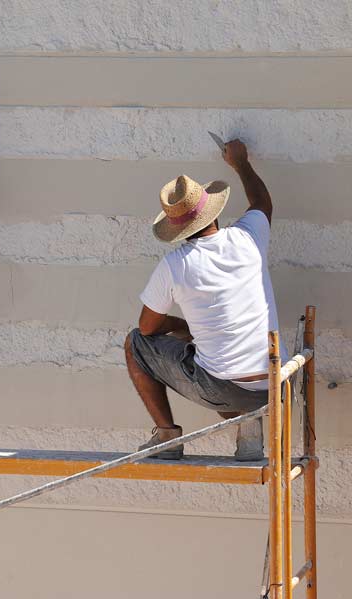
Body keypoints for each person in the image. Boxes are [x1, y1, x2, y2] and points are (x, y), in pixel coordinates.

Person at [124, 139, 286, 461]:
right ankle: (249, 428)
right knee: (217, 363)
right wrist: (240, 162)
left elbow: (146, 328)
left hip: (223, 390)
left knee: (135, 345)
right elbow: (262, 201)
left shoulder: (175, 265)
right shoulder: (248, 237)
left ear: (178, 229)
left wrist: (182, 326)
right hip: (274, 384)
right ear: (213, 212)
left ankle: (167, 437)